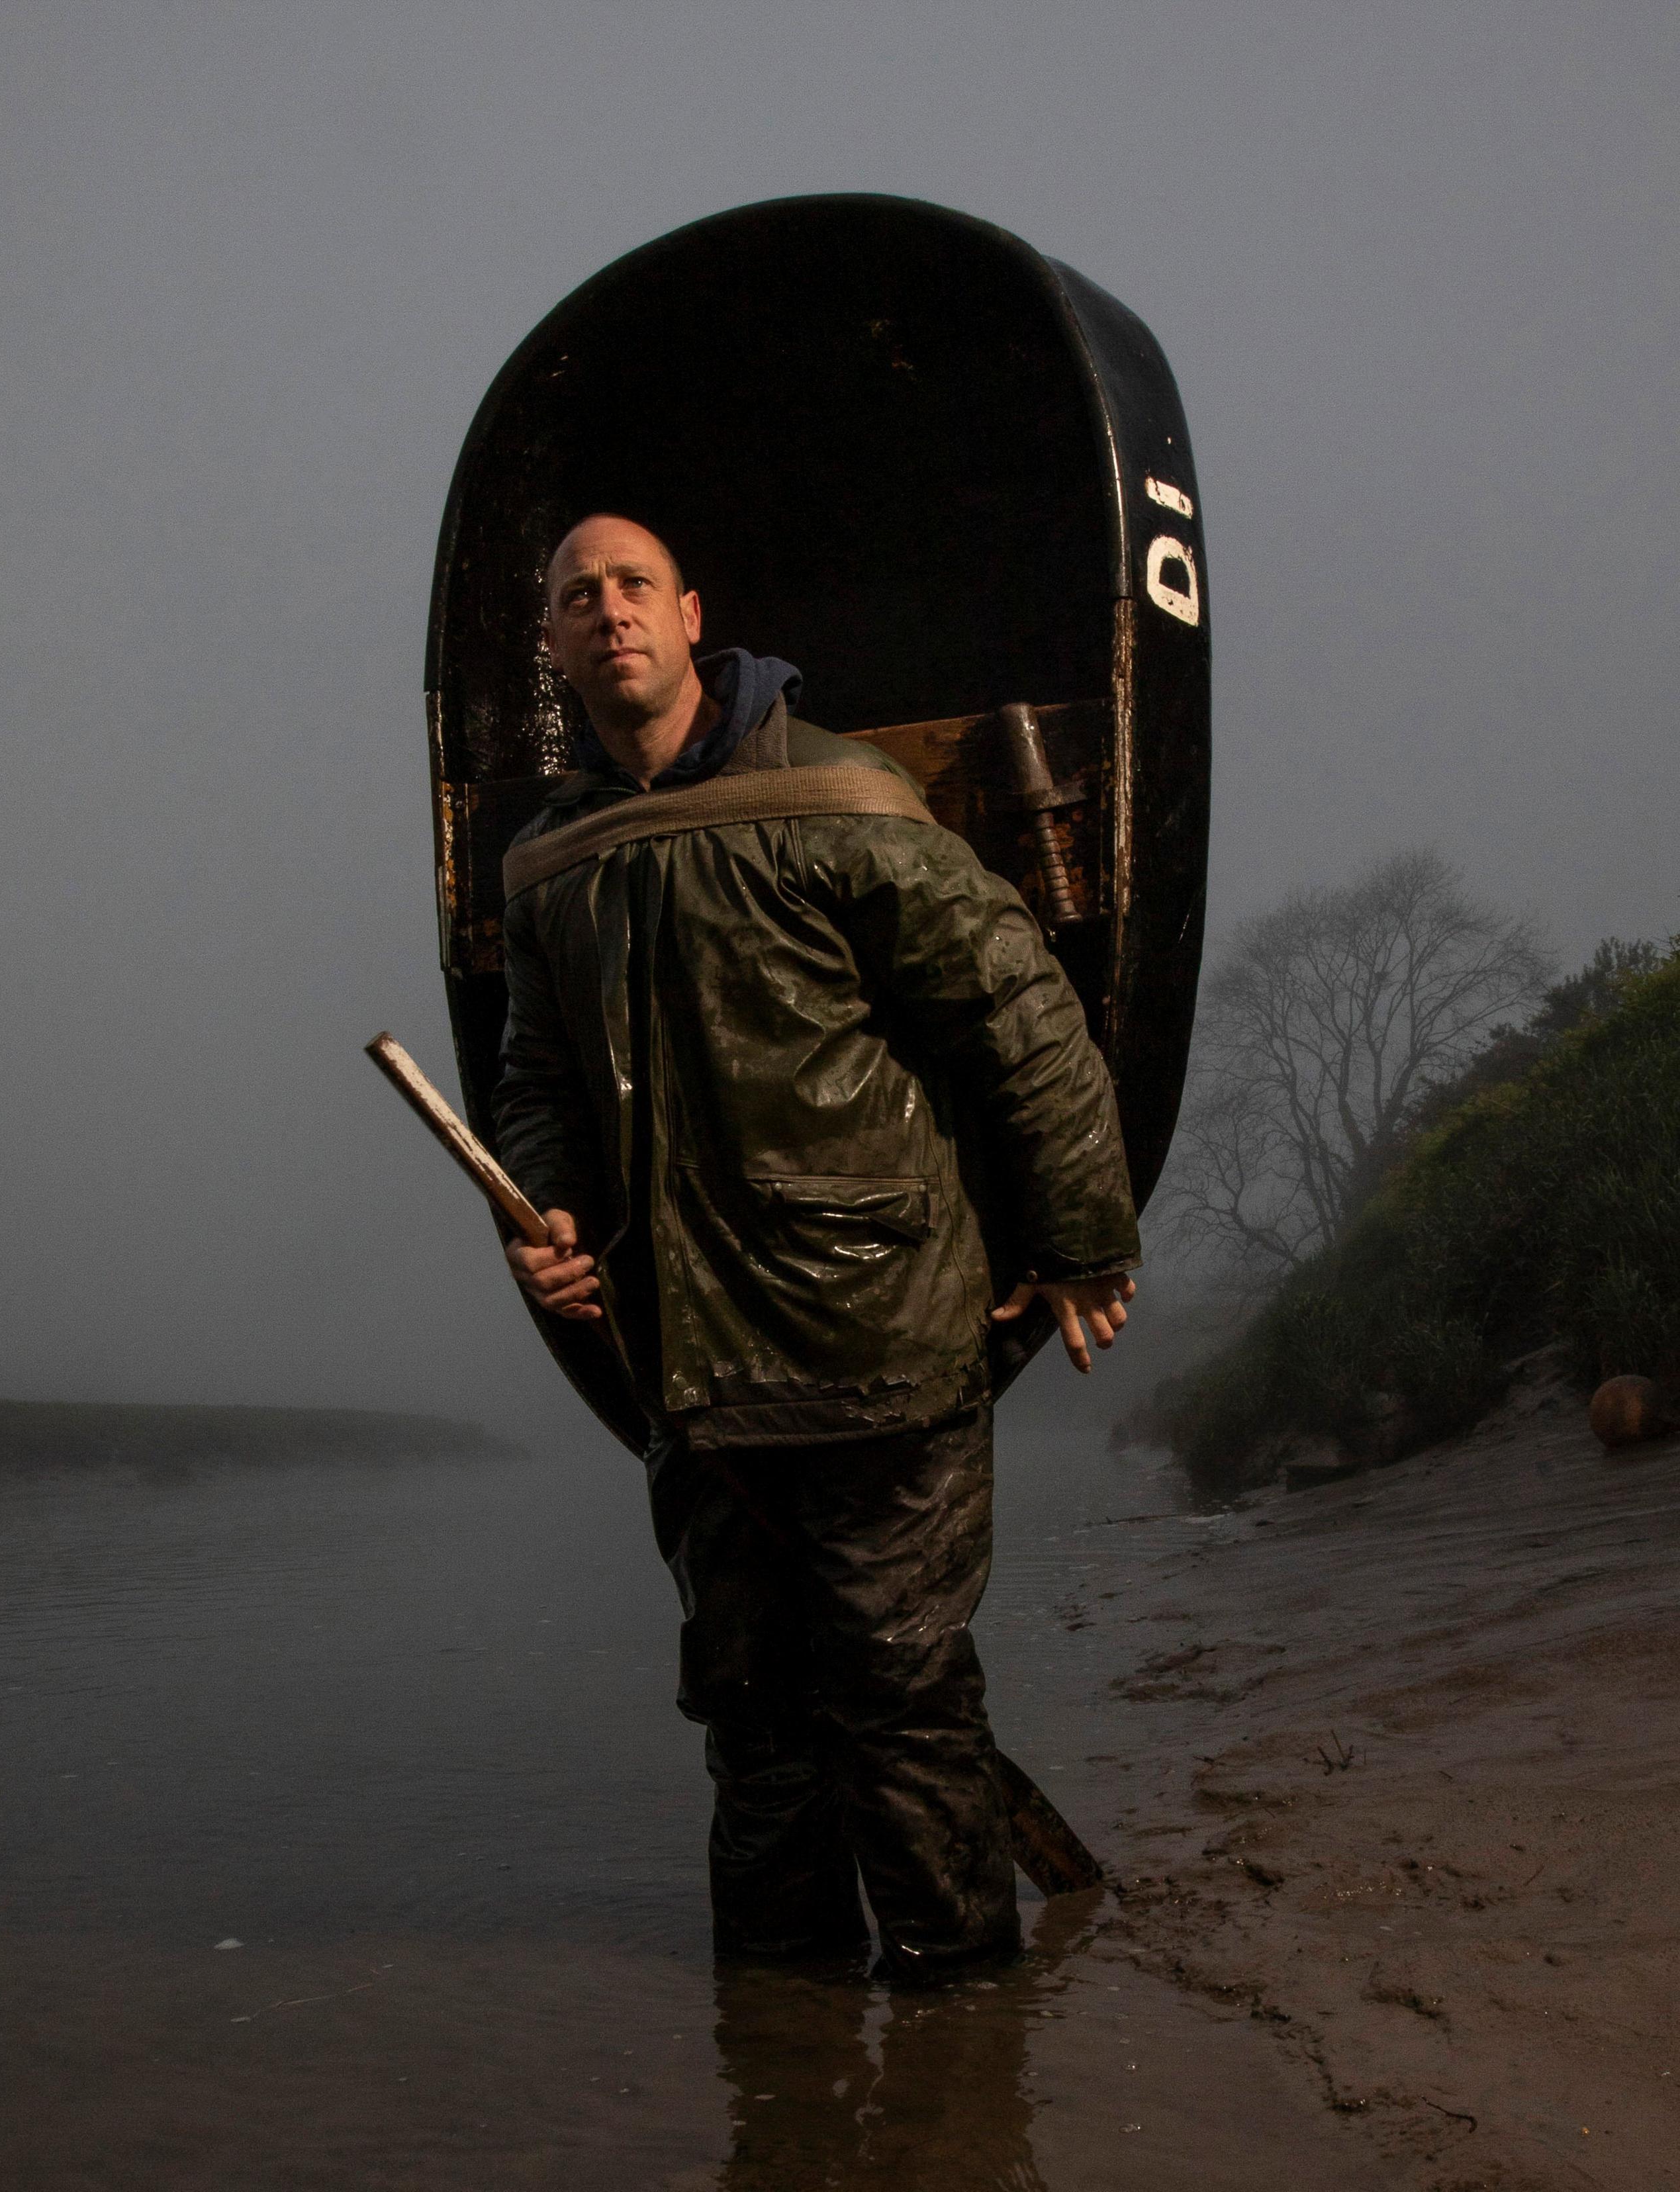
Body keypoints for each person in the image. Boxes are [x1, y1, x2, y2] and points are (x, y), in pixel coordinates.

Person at [492, 513, 1139, 1982]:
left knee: (902, 1709)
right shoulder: (548, 864)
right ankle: (778, 2074)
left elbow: (1019, 1015)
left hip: (879, 1344)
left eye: (633, 587)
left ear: (691, 615)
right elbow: (536, 1089)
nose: (609, 612)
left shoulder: (840, 798)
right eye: (577, 597)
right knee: (754, 1730)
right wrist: (545, 1223)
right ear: (552, 646)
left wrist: (1082, 1238)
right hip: (694, 1372)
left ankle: (958, 2051)